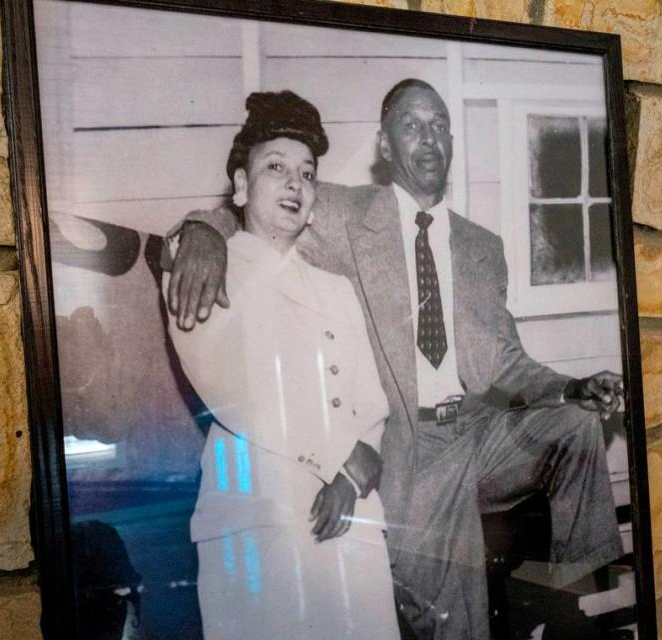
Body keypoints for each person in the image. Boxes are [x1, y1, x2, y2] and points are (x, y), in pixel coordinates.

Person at [166, 79, 625, 639]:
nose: (428, 138)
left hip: (480, 433)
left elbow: (506, 362)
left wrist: (570, 388)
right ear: (385, 145)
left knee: (576, 424)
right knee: (455, 625)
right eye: (411, 125)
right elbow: (260, 206)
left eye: (438, 125)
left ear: (451, 139)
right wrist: (201, 232)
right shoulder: (341, 210)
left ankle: (577, 615)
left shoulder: (483, 248)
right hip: (410, 443)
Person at [163, 91, 400, 640]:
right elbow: (237, 390)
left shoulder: (336, 290)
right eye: (276, 168)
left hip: (351, 516)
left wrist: (351, 476)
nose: (296, 184)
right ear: (242, 187)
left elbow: (372, 408)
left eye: (308, 173)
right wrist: (202, 229)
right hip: (262, 522)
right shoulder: (202, 267)